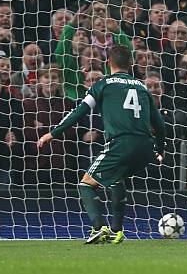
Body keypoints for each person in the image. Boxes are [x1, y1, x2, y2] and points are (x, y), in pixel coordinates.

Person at [38, 46, 166, 244]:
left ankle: (98, 228)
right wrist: (160, 149)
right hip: (145, 146)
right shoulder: (142, 87)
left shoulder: (103, 84)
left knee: (86, 184)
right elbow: (159, 124)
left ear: (109, 63)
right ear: (130, 64)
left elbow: (79, 111)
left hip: (121, 143)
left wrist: (52, 133)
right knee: (117, 179)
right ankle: (117, 230)